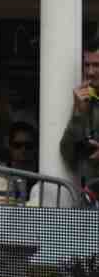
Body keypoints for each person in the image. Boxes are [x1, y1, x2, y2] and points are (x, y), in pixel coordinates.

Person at [59, 39, 99, 184]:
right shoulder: (86, 100)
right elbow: (67, 155)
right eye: (87, 65)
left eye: (96, 65)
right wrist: (78, 113)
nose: (90, 72)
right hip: (90, 194)